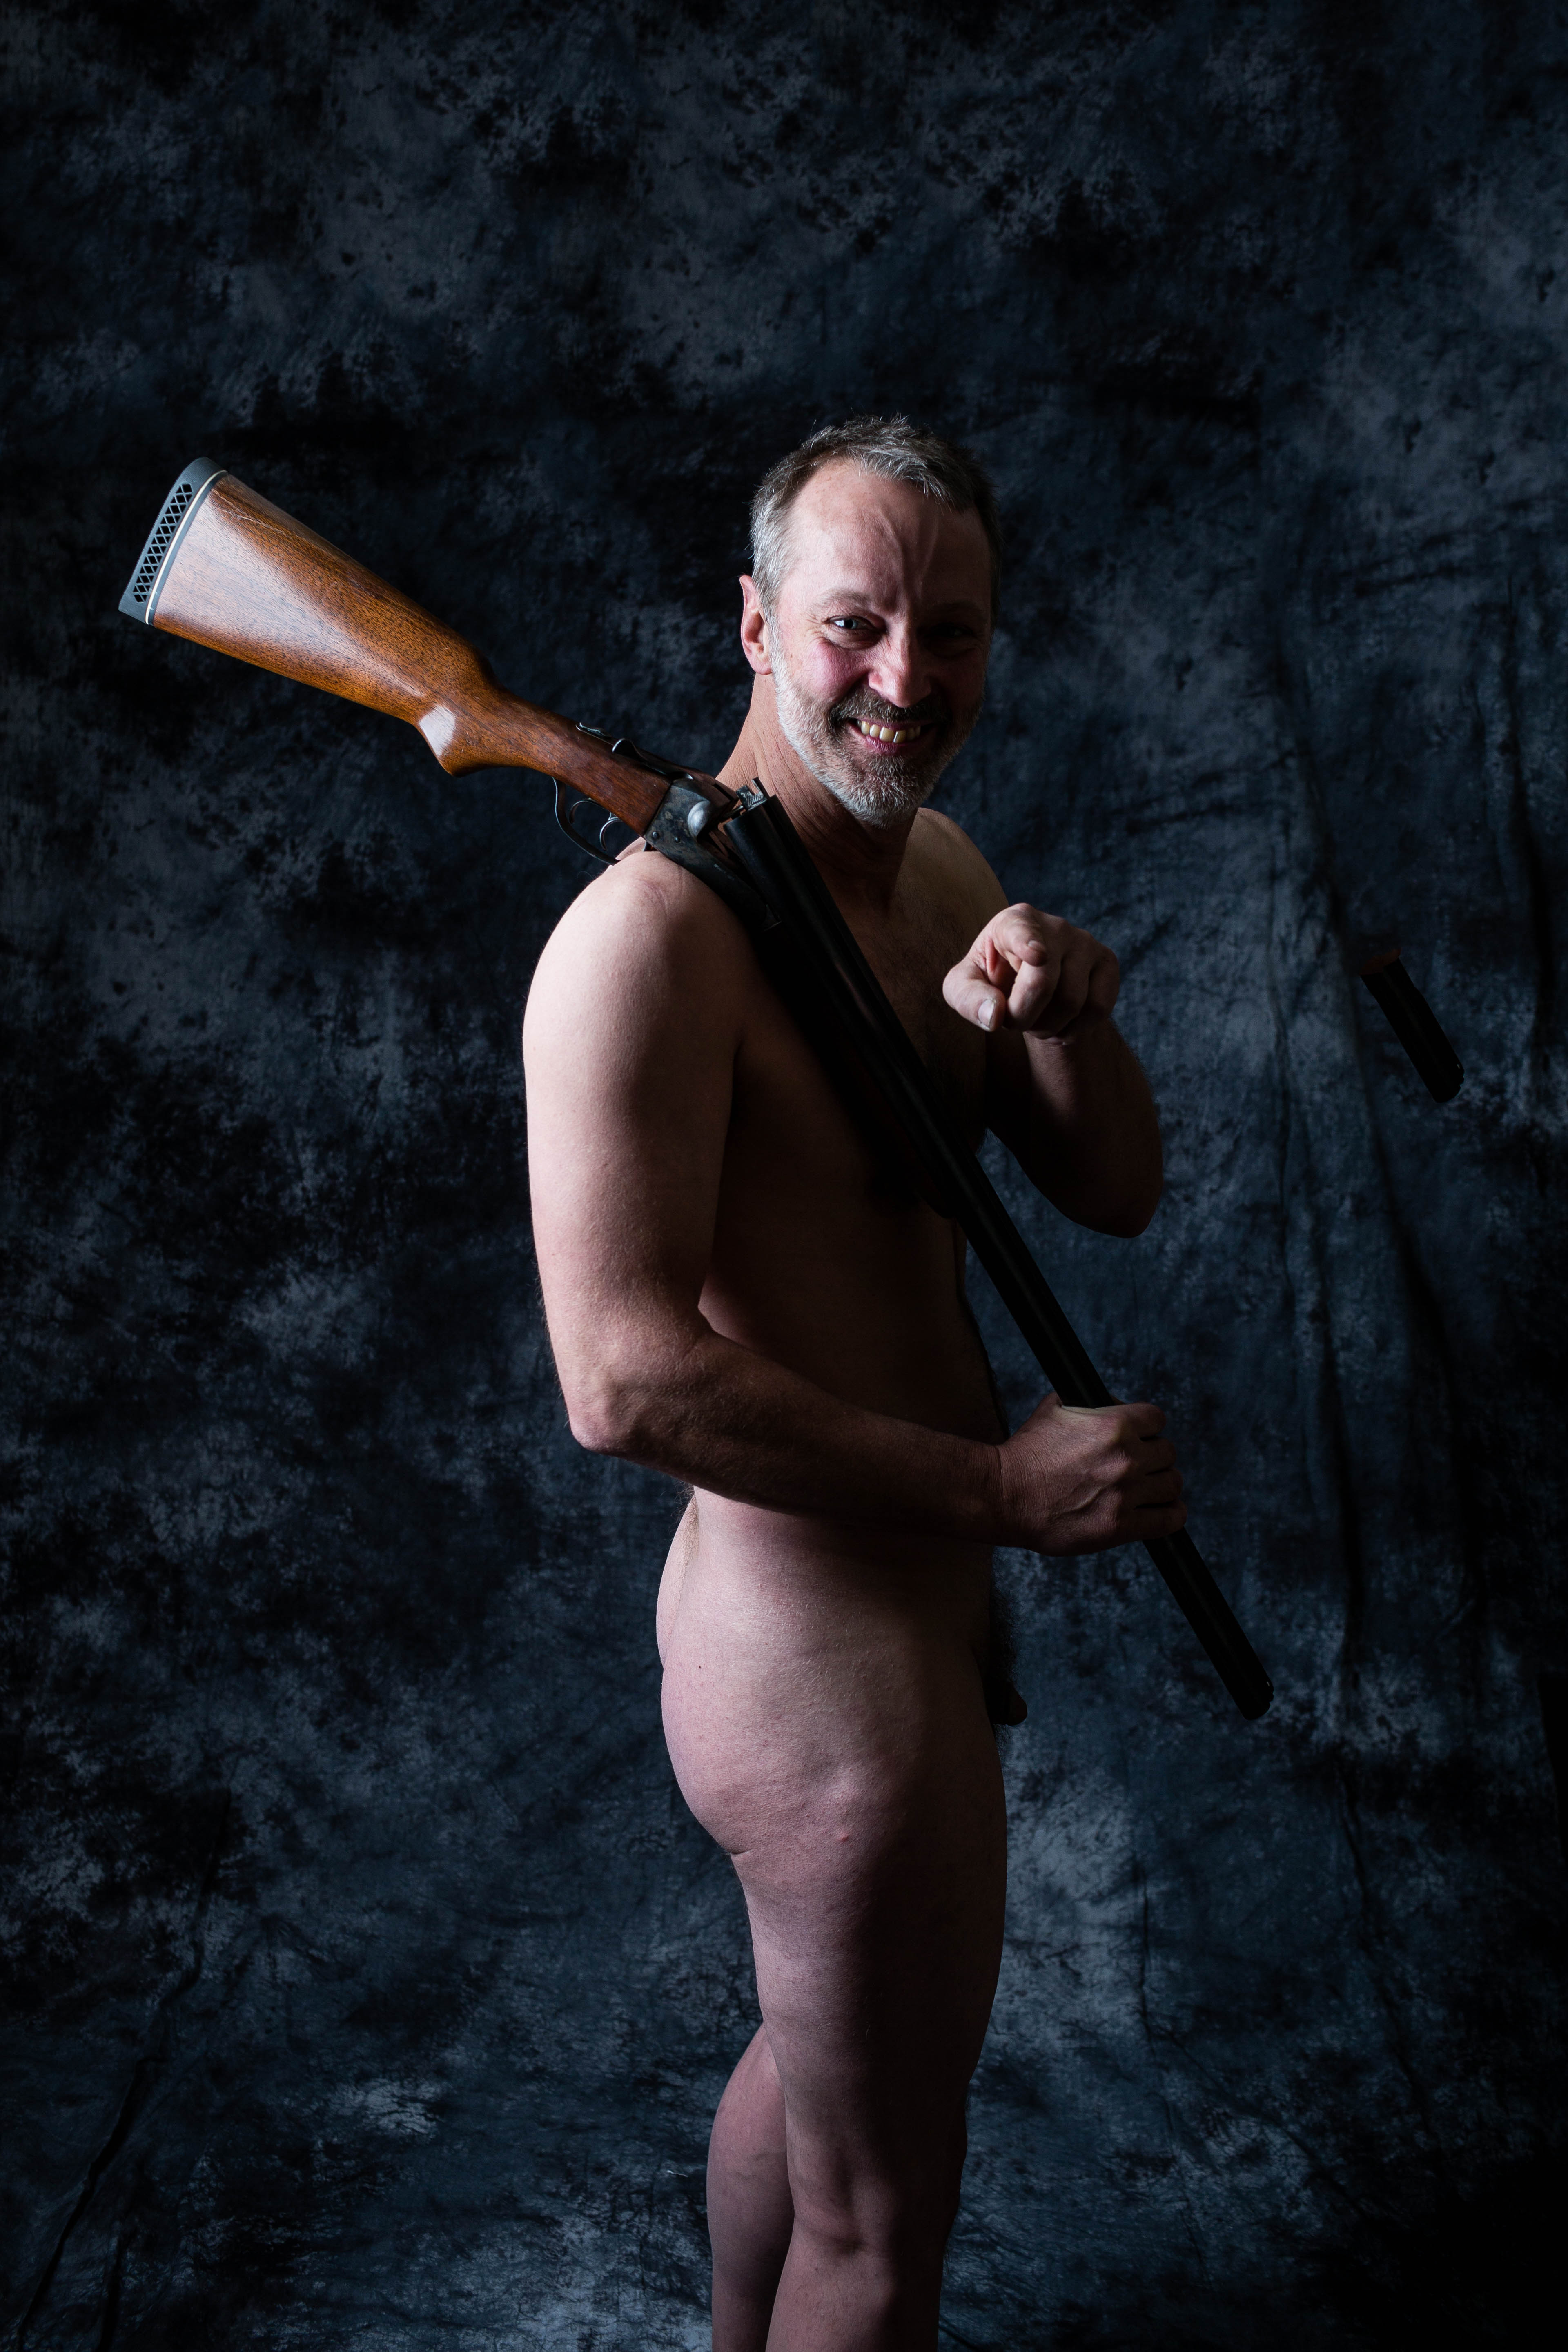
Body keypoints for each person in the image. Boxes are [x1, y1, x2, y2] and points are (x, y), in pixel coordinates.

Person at [522, 417, 1185, 2351]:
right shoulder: (646, 947)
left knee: (824, 2101)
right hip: (818, 1666)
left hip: (906, 1620)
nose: (907, 679)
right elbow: (620, 1383)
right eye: (854, 624)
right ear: (755, 624)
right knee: (880, 2233)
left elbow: (1115, 1191)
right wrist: (1000, 1494)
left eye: (951, 632)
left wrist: (1063, 1019)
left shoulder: (935, 871)